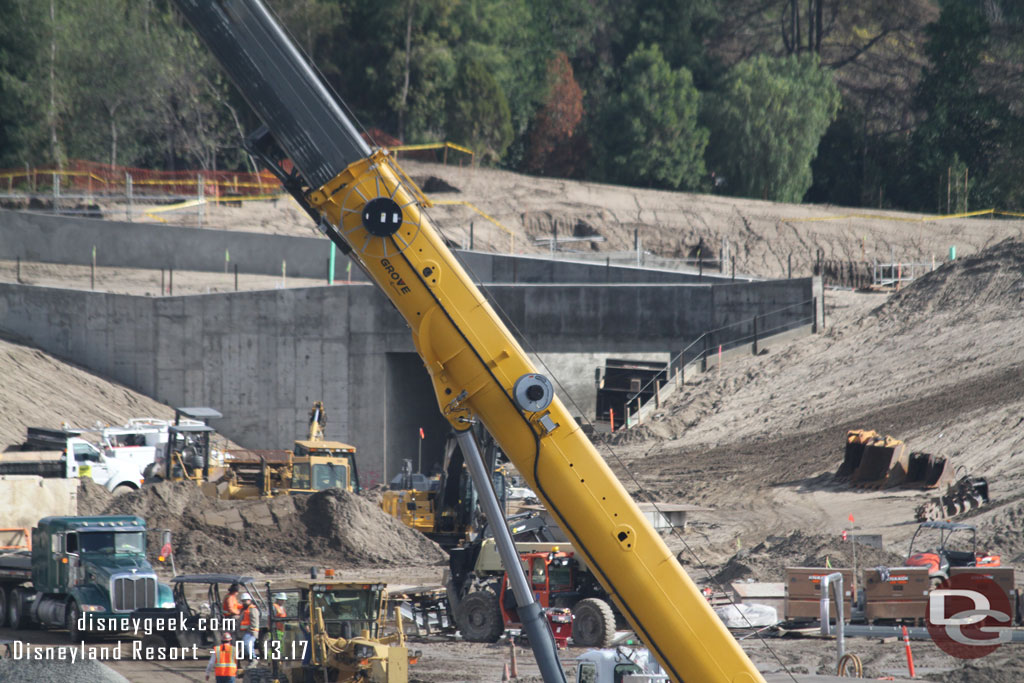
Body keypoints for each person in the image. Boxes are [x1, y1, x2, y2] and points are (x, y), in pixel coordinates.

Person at [238, 592, 260, 664]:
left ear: (249, 600)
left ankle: (253, 659)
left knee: (247, 644)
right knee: (245, 646)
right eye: (243, 601)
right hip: (245, 632)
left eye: (245, 601)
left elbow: (254, 621)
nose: (244, 602)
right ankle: (249, 660)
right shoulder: (244, 610)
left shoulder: (253, 609)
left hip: (251, 632)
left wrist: (251, 629)